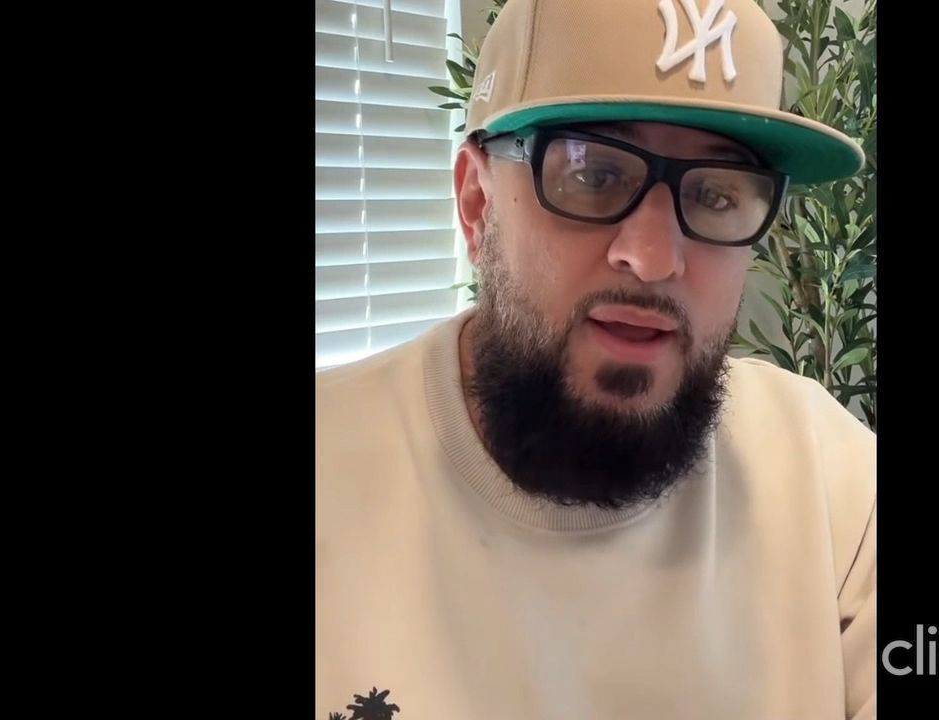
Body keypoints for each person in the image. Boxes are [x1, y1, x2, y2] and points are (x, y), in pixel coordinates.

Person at [315, 0, 875, 717]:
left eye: (715, 194)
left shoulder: (829, 478)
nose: (653, 258)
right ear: (477, 203)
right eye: (592, 174)